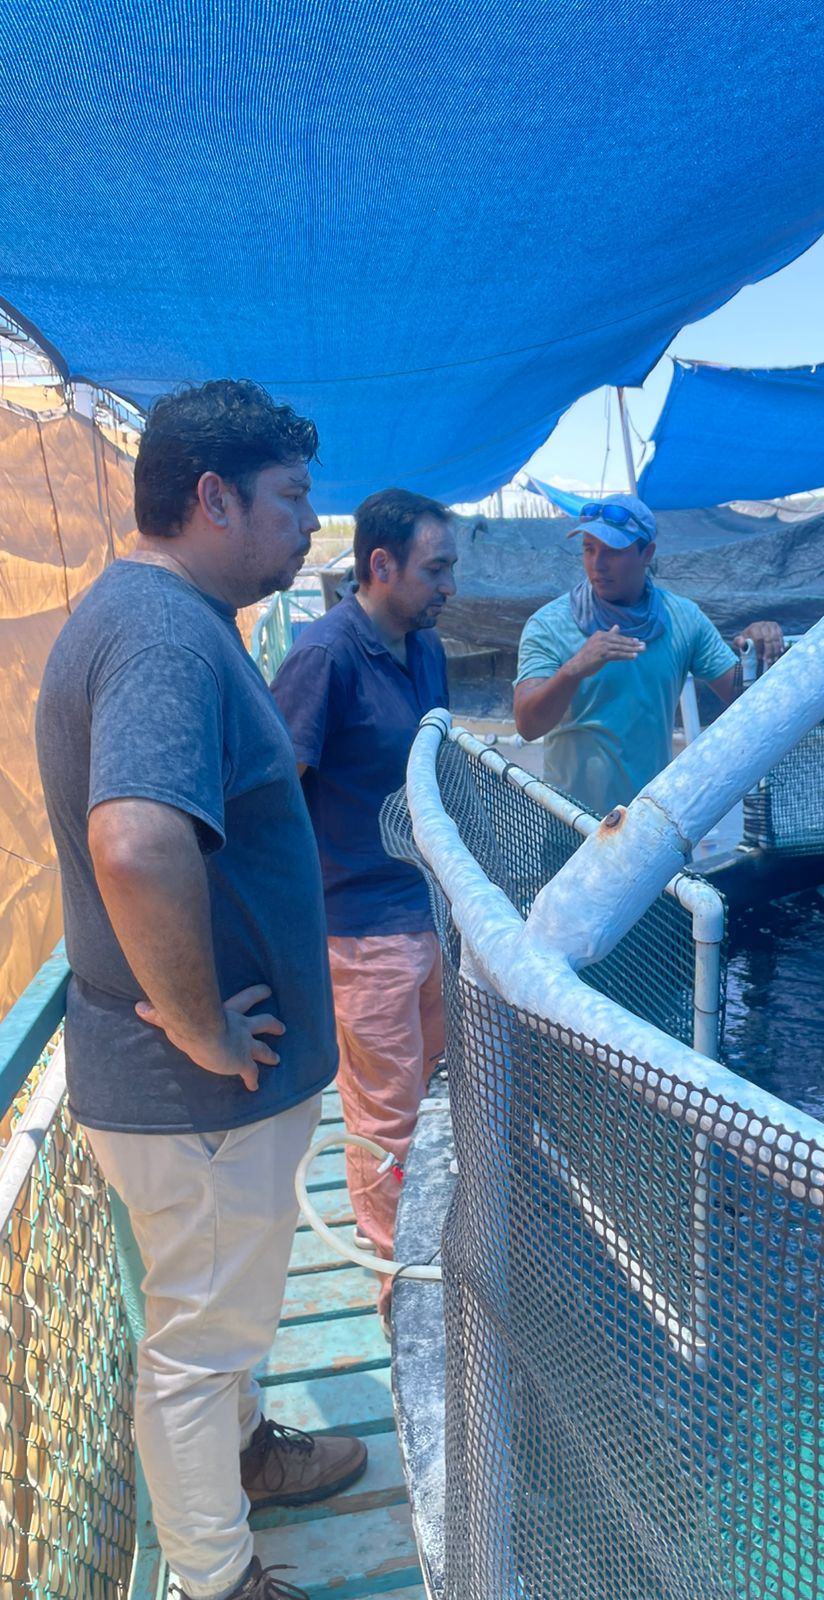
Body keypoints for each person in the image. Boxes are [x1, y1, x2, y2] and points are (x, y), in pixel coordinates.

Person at [35, 380, 366, 1600]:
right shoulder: (166, 635)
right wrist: (200, 1026)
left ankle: (248, 1454)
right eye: (291, 498)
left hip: (207, 1096)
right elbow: (135, 841)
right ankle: (218, 1580)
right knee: (197, 1342)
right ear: (214, 497)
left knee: (219, 1323)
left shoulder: (169, 618)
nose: (308, 524)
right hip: (199, 1096)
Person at [270, 489, 457, 1323]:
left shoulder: (426, 647)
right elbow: (273, 797)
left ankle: (435, 1247)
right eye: (436, 568)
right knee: (384, 1117)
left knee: (434, 1093)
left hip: (433, 914)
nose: (450, 585)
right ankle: (397, 1283)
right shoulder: (324, 657)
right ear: (380, 565)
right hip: (360, 932)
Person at [513, 493, 784, 815]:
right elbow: (527, 726)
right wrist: (574, 670)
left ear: (647, 553)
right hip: (571, 822)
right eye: (589, 549)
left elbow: (741, 697)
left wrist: (755, 651)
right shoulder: (550, 624)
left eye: (613, 551)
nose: (598, 564)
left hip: (650, 822)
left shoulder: (682, 618)